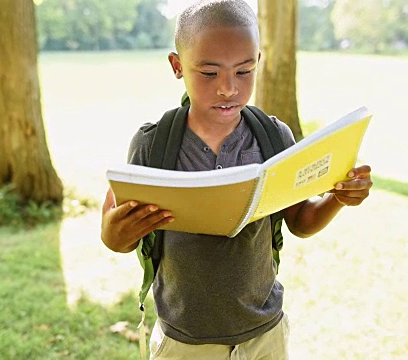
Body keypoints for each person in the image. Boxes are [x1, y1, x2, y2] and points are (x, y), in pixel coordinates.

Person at [100, 0, 372, 358]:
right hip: (185, 341)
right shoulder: (154, 145)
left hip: (265, 334)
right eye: (209, 73)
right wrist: (118, 233)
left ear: (258, 61)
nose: (228, 88)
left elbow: (300, 223)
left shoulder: (274, 138)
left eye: (243, 71)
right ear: (177, 66)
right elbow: (114, 236)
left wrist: (338, 197)